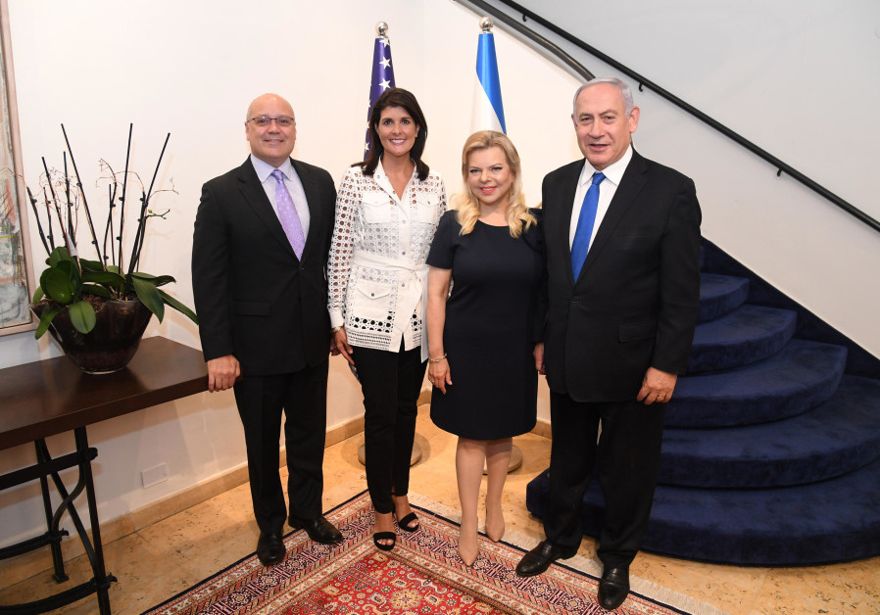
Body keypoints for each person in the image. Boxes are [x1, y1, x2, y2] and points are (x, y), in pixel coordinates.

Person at [515, 78, 702, 611]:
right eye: (585, 119)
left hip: (633, 362)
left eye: (608, 118)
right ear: (574, 124)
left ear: (633, 120)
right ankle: (561, 537)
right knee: (568, 457)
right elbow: (551, 275)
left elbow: (682, 290)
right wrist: (540, 337)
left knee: (628, 466)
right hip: (568, 354)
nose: (596, 130)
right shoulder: (556, 184)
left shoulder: (670, 190)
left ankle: (618, 554)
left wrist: (666, 366)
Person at [192, 93, 343, 567]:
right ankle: (271, 525)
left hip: (311, 340)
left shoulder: (320, 183)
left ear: (294, 129)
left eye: (283, 120)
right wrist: (218, 349)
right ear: (248, 129)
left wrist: (337, 324)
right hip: (253, 349)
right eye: (263, 120)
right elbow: (209, 277)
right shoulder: (220, 193)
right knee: (261, 442)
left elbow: (327, 263)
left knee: (308, 434)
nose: (273, 128)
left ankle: (308, 512)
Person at [327, 88, 446, 552]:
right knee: (379, 415)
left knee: (404, 410)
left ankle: (400, 495)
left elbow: (439, 258)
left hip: (416, 317)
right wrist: (336, 319)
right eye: (388, 122)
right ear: (376, 129)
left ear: (418, 128)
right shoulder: (356, 180)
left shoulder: (432, 184)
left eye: (405, 121)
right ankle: (379, 507)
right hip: (368, 315)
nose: (397, 130)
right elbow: (338, 254)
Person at [426, 131, 543, 566]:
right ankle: (469, 521)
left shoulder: (534, 225)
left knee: (503, 430)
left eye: (495, 168)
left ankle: (495, 505)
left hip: (514, 348)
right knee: (472, 435)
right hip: (466, 347)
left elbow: (544, 291)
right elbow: (435, 293)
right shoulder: (454, 223)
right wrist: (437, 355)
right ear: (466, 175)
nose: (485, 178)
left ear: (512, 171)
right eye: (475, 170)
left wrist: (540, 341)